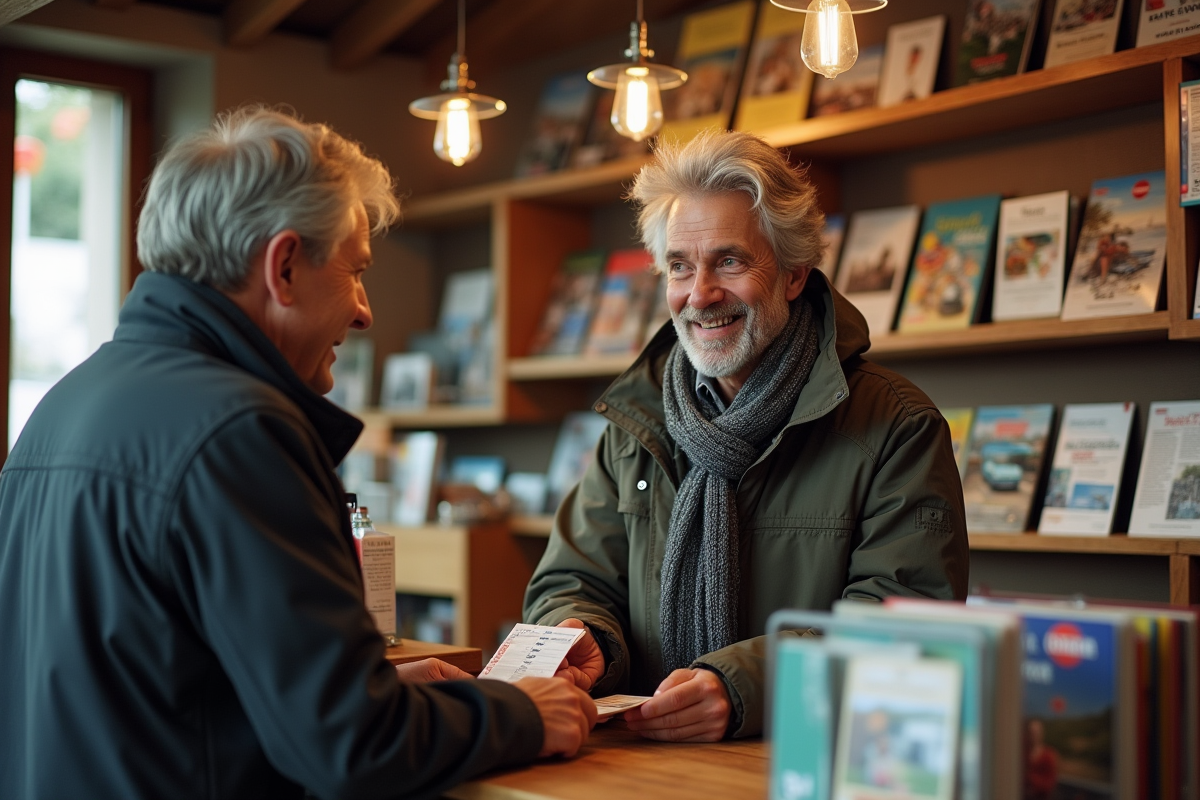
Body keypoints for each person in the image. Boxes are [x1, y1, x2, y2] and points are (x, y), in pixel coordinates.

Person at [0, 107, 595, 800]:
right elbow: (352, 747)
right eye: (356, 271)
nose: (366, 311)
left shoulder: (62, 406)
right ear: (283, 267)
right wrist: (520, 713)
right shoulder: (239, 430)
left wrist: (374, 691)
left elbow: (141, 696)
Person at [524, 130, 968, 742]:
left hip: (812, 760)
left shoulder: (897, 427)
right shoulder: (635, 425)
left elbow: (907, 626)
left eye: (729, 261)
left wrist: (744, 688)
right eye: (680, 266)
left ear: (792, 275)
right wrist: (580, 632)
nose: (700, 294)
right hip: (644, 769)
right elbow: (571, 579)